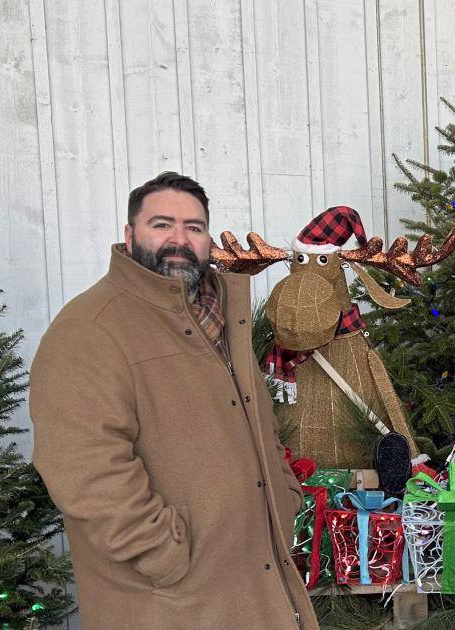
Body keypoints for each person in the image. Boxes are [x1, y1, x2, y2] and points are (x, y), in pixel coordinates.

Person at [30, 172, 320, 629]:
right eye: (162, 224)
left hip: (254, 576)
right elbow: (83, 466)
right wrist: (160, 551)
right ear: (129, 235)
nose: (179, 240)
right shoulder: (89, 328)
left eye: (194, 227)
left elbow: (257, 422)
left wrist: (283, 501)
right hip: (170, 600)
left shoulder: (224, 315)